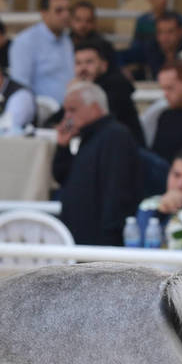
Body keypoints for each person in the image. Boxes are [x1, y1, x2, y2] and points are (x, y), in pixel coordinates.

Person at [52, 81, 140, 246]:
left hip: (100, 243)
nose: (66, 117)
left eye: (72, 110)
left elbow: (116, 192)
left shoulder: (115, 136)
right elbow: (62, 177)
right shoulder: (88, 136)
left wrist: (109, 240)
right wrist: (62, 147)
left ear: (93, 108)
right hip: (79, 238)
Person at [73, 39, 145, 146]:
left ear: (104, 65)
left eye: (89, 62)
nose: (83, 68)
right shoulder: (81, 88)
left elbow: (94, 121)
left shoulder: (117, 86)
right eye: (78, 63)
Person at [8, 0, 74, 104]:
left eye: (68, 10)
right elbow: (20, 86)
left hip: (70, 110)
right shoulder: (25, 42)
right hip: (42, 114)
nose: (66, 15)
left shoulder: (66, 39)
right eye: (59, 10)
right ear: (44, 13)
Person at [136, 147, 182, 235]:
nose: (180, 185)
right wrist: (160, 213)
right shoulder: (149, 206)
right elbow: (141, 243)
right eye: (176, 175)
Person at [121, 11, 182, 79]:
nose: (164, 37)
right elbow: (119, 56)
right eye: (160, 32)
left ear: (181, 32)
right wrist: (124, 71)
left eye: (170, 32)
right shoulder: (149, 48)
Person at [69, 1, 116, 66]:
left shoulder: (104, 46)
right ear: (71, 21)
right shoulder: (63, 44)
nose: (83, 25)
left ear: (94, 22)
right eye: (78, 20)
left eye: (88, 21)